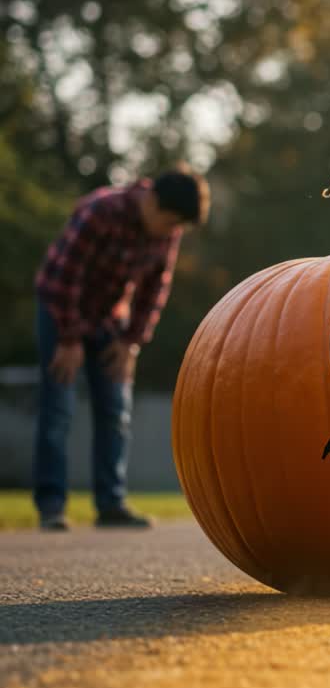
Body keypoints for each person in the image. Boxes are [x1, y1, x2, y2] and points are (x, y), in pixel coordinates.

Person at [33, 166, 210, 531]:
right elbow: (66, 277)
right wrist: (68, 339)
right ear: (152, 201)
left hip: (109, 322)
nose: (171, 231)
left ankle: (110, 503)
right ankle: (51, 506)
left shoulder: (166, 233)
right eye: (170, 221)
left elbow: (153, 291)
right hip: (61, 311)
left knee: (116, 411)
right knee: (58, 410)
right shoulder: (100, 211)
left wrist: (131, 343)